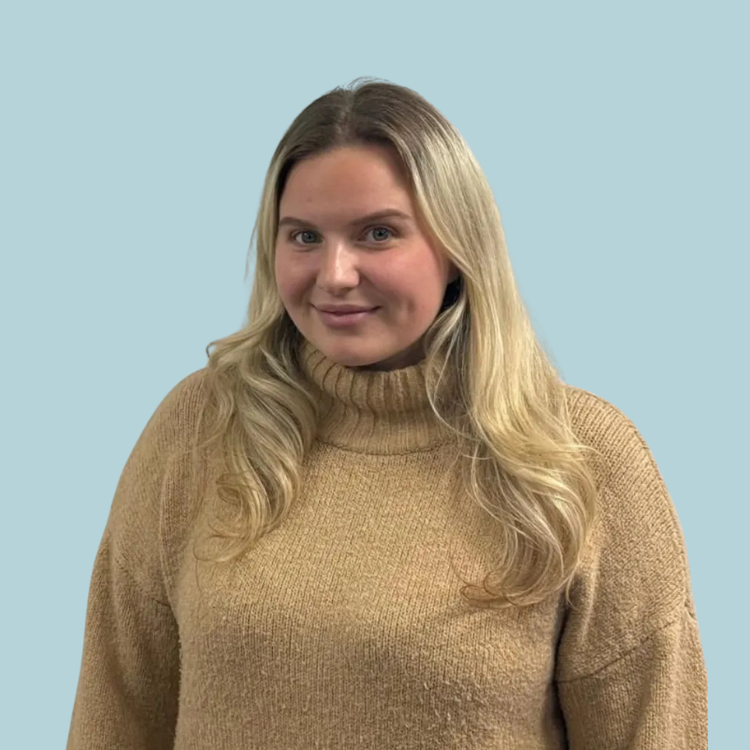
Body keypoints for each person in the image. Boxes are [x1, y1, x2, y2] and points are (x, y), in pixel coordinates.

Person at [67, 76, 707, 749]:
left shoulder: (580, 458)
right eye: (304, 236)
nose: (335, 274)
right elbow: (114, 715)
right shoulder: (200, 427)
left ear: (456, 249)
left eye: (377, 233)